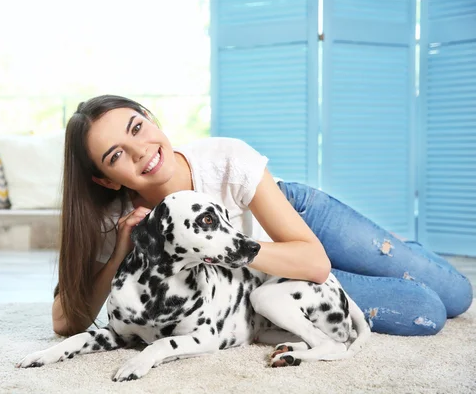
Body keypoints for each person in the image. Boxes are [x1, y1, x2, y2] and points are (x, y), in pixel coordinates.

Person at [52, 94, 473, 338]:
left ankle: (397, 250)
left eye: (136, 128)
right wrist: (119, 252)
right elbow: (65, 320)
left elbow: (314, 261)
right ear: (106, 180)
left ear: (149, 119)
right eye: (115, 156)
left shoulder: (225, 159)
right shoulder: (120, 221)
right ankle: (385, 261)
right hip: (274, 275)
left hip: (298, 221)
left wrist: (221, 248)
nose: (140, 151)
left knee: (458, 295)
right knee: (427, 310)